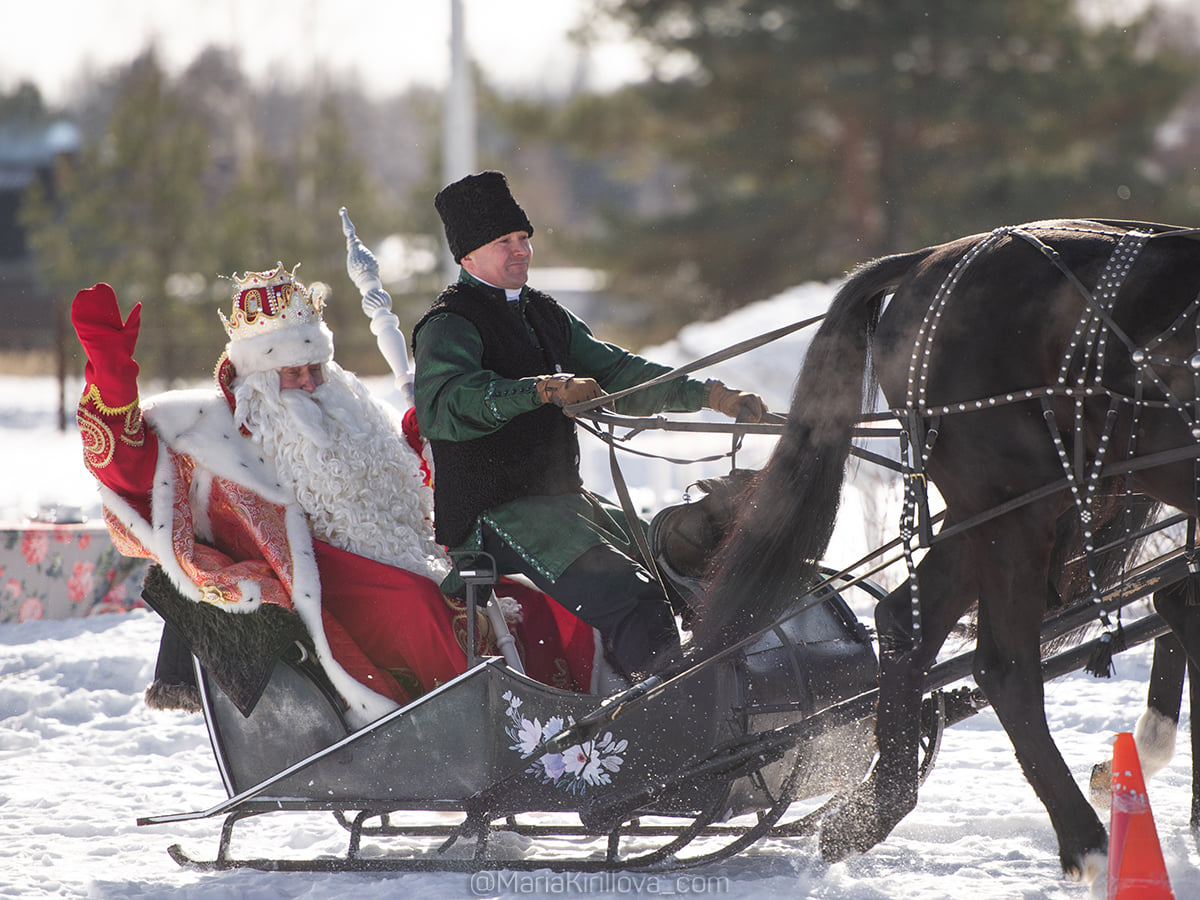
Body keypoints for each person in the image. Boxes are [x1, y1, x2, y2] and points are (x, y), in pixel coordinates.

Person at [72, 264, 597, 728]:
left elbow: (405, 473)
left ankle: (575, 722)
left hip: (404, 554)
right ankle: (488, 733)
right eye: (291, 373)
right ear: (257, 374)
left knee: (531, 597)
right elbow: (131, 472)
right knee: (421, 612)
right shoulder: (208, 426)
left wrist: (423, 433)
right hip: (315, 580)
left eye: (314, 368)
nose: (307, 382)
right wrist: (113, 375)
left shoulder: (346, 405)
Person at [412, 170, 768, 683]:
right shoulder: (449, 324)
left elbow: (621, 372)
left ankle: (727, 691)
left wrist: (711, 395)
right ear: (467, 257)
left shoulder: (543, 313)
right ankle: (675, 725)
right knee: (632, 596)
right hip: (495, 513)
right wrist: (542, 388)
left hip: (562, 501)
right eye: (503, 242)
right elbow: (446, 405)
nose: (520, 251)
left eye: (523, 238)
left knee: (683, 561)